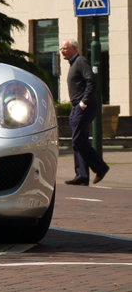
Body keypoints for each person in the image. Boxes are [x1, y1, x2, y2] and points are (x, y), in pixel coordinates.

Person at [59, 38, 110, 185]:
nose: (62, 50)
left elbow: (91, 81)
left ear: (74, 49)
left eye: (64, 48)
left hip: (83, 107)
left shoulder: (80, 61)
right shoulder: (73, 63)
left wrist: (83, 102)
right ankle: (82, 176)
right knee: (78, 141)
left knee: (78, 140)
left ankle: (100, 168)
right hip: (77, 107)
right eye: (61, 48)